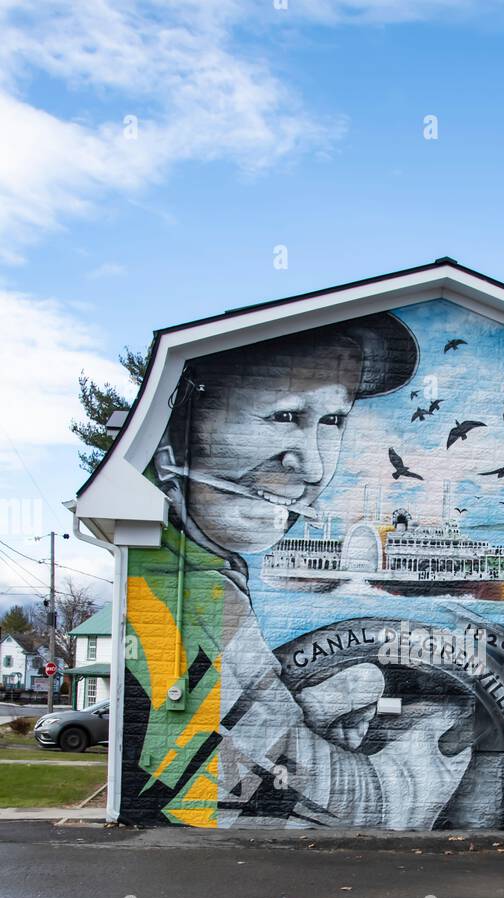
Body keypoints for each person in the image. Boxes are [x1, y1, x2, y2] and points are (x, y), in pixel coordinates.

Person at [126, 313, 472, 828]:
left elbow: (232, 734)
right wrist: (430, 760)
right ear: (177, 432)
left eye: (332, 422)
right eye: (284, 416)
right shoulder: (172, 594)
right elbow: (219, 794)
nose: (312, 468)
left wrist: (304, 713)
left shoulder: (198, 569)